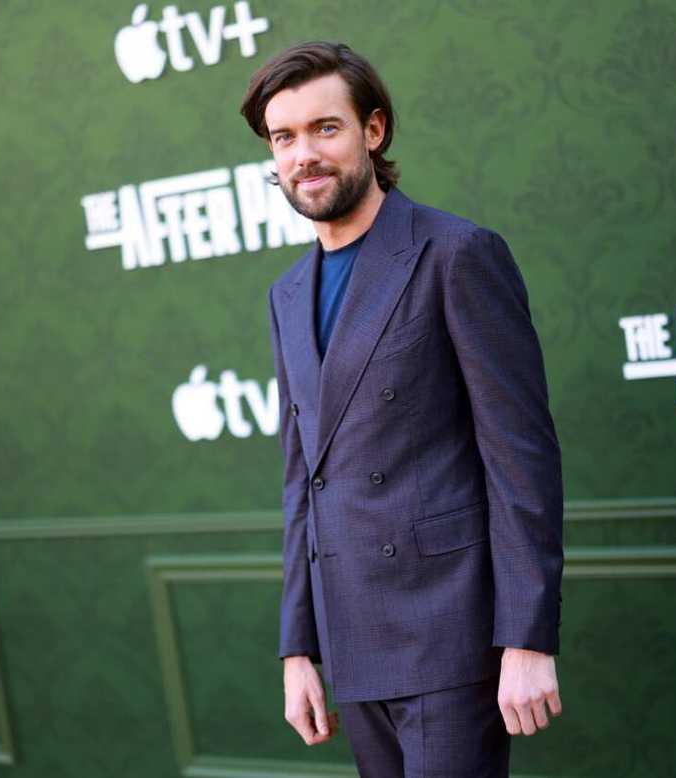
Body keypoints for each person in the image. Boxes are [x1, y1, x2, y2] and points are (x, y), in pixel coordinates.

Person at [241, 41, 564, 777]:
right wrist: (299, 648)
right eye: (283, 137)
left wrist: (527, 638)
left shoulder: (456, 253)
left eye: (325, 128)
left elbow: (520, 457)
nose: (303, 155)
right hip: (353, 640)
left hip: (453, 637)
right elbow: (304, 483)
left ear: (373, 131)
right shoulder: (286, 295)